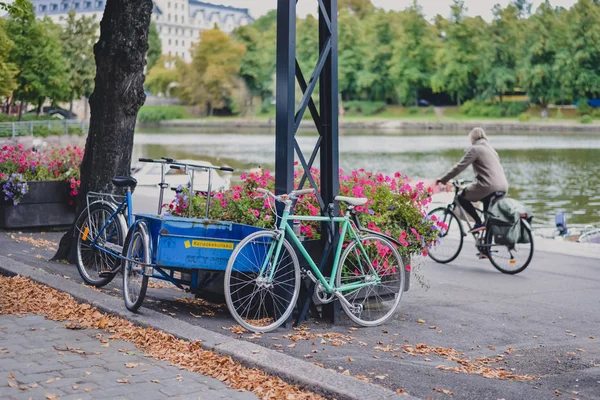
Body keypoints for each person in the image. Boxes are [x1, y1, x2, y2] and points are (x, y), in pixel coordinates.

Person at [437, 127, 508, 232]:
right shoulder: (492, 150)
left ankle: (477, 222)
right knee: (488, 218)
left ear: (472, 138)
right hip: (503, 186)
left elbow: (460, 167)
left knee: (461, 198)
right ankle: (486, 246)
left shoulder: (475, 149)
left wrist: (443, 179)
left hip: (488, 186)